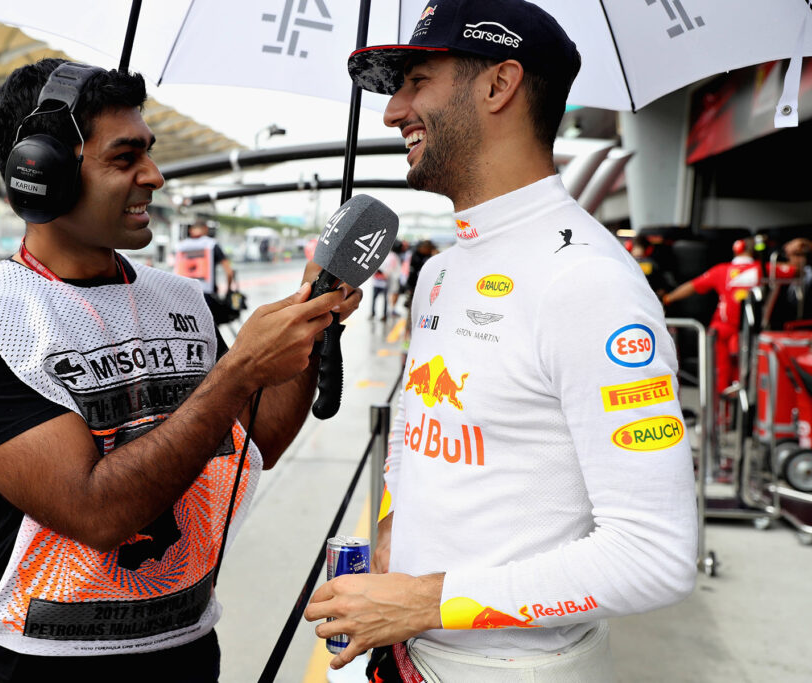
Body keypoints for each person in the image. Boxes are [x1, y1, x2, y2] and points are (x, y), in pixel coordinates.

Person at [0, 58, 360, 683]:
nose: (155, 175)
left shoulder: (183, 301)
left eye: (149, 151)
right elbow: (96, 513)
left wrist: (312, 314)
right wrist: (237, 372)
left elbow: (258, 442)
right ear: (41, 172)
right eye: (125, 158)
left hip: (189, 649)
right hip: (43, 669)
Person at [305, 2, 697, 681]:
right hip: (407, 652)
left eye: (416, 82)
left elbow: (656, 555)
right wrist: (397, 528)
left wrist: (427, 600)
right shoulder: (440, 272)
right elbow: (420, 424)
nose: (393, 112)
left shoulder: (588, 281)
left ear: (499, 84)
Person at [662, 238, 761, 400]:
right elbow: (795, 271)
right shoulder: (763, 269)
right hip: (749, 332)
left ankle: (722, 409)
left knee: (720, 377)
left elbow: (693, 286)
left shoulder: (722, 270)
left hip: (722, 329)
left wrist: (667, 298)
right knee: (746, 377)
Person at [173, 220, 237, 324]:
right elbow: (229, 272)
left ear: (190, 230)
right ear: (206, 229)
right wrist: (228, 292)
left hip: (182, 297)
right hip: (206, 297)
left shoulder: (179, 246)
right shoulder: (212, 245)